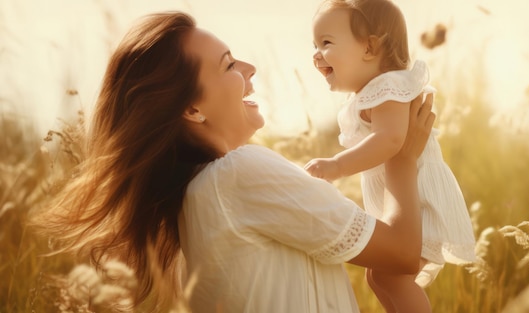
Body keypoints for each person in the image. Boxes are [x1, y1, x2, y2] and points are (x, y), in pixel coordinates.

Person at [29, 11, 437, 312]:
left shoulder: (198, 197)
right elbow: (402, 254)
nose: (249, 68)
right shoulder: (240, 174)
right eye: (228, 65)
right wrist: (401, 158)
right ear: (192, 109)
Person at [305, 0, 477, 312]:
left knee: (392, 277)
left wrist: (336, 166)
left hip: (419, 199)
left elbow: (391, 139)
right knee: (379, 277)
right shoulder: (372, 93)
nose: (316, 54)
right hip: (404, 197)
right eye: (315, 44)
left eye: (326, 43)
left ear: (369, 48)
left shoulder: (390, 85)